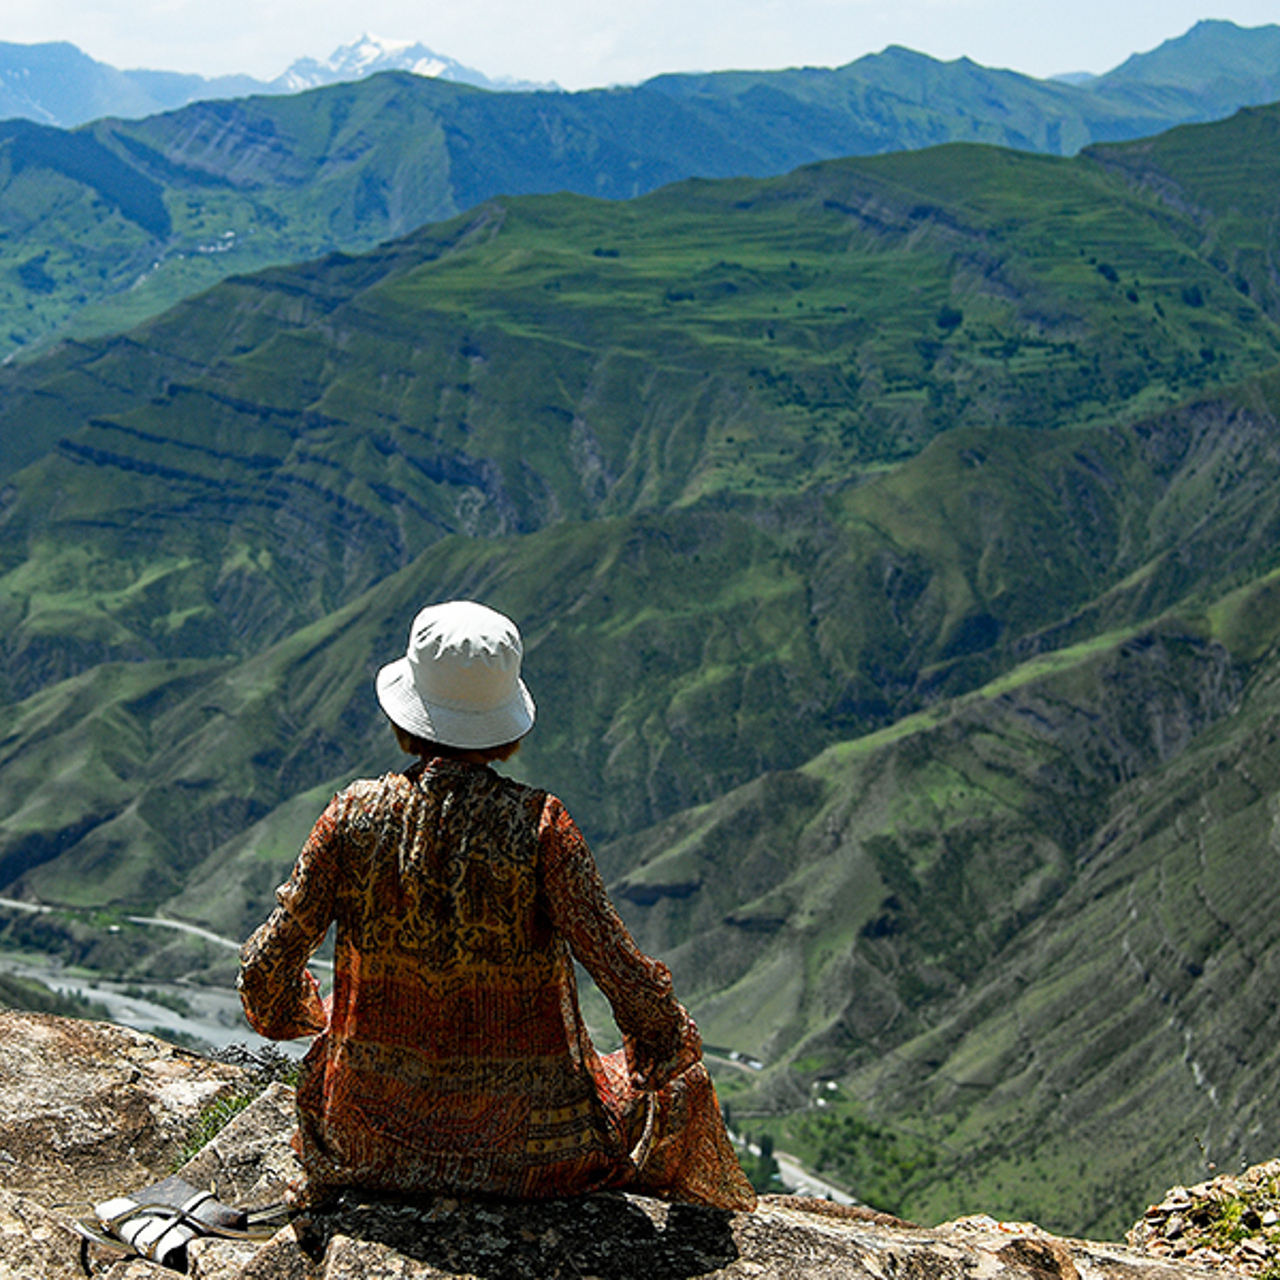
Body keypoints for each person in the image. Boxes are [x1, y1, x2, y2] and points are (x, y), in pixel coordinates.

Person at [238, 600, 756, 1211]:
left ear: (405, 714)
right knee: (683, 1088)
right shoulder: (540, 830)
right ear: (506, 726)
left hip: (364, 1143)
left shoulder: (350, 818)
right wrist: (670, 1047)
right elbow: (628, 982)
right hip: (531, 1157)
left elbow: (264, 977)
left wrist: (315, 1015)